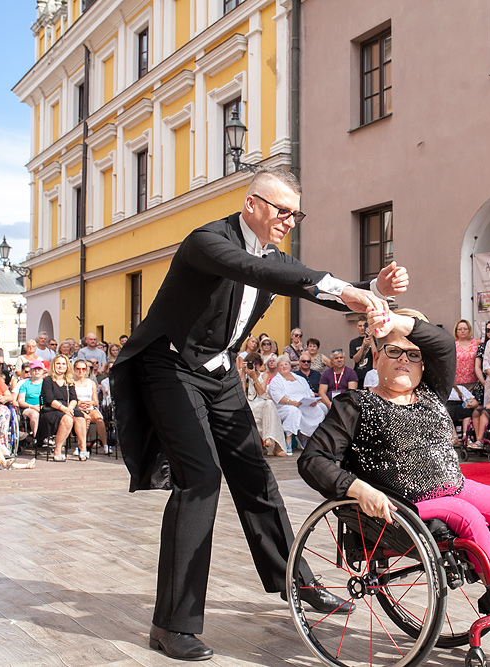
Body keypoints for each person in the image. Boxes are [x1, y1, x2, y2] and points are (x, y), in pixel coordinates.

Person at [110, 166, 409, 660]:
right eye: (282, 210)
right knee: (200, 480)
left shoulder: (270, 255)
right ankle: (172, 625)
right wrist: (348, 289)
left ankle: (296, 583)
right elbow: (262, 273)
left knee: (255, 474)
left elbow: (302, 283)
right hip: (169, 365)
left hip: (219, 372)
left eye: (296, 213)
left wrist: (369, 285)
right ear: (251, 204)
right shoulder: (208, 242)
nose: (290, 221)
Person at [297, 309, 490, 642]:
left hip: (451, 486)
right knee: (468, 515)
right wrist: (357, 489)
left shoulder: (432, 392)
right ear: (376, 358)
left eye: (413, 354)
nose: (404, 359)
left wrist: (400, 322)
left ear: (423, 364)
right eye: (394, 351)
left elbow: (444, 343)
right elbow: (312, 459)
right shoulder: (356, 404)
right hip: (403, 503)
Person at [268, 355, 327, 454]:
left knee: (321, 408)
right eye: (281, 365)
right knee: (293, 411)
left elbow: (309, 392)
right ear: (278, 368)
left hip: (304, 404)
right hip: (286, 406)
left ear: (290, 365)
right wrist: (293, 403)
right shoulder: (276, 381)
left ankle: (311, 436)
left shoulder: (300, 378)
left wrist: (313, 400)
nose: (284, 367)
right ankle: (289, 440)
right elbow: (278, 398)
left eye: (286, 364)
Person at [240, 352, 288, 457]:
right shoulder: (242, 374)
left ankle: (268, 438)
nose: (253, 366)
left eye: (256, 363)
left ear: (260, 364)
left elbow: (261, 392)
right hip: (248, 404)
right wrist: (244, 374)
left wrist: (254, 377)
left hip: (261, 402)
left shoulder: (264, 375)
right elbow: (242, 393)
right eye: (250, 363)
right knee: (269, 407)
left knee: (269, 404)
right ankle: (275, 445)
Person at [40, 355, 82, 462]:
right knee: (68, 419)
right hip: (52, 410)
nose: (61, 366)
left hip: (67, 408)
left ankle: (83, 448)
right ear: (54, 365)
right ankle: (58, 449)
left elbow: (74, 399)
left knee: (81, 417)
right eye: (58, 363)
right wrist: (64, 409)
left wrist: (70, 408)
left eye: (63, 364)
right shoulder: (48, 380)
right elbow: (49, 399)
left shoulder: (69, 381)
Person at [73, 359, 107, 454]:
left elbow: (96, 401)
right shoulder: (72, 383)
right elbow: (70, 400)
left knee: (99, 418)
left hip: (90, 407)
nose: (81, 371)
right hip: (77, 408)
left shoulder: (91, 383)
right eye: (78, 369)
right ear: (74, 369)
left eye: (83, 369)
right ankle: (80, 446)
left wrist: (90, 403)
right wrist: (79, 403)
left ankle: (105, 445)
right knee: (85, 419)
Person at [15, 359, 46, 437]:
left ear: (43, 371)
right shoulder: (25, 384)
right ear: (31, 371)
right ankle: (37, 437)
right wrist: (32, 407)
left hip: (44, 407)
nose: (36, 371)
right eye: (34, 369)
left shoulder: (47, 384)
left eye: (39, 369)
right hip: (28, 408)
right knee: (34, 414)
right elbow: (20, 401)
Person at [453, 319, 481, 388]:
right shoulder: (452, 344)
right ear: (456, 331)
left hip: (474, 381)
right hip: (457, 382)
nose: (463, 331)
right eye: (460, 329)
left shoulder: (476, 342)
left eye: (465, 329)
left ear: (469, 330)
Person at [472, 320, 490, 405]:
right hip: (484, 380)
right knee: (479, 409)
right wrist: (484, 383)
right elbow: (477, 366)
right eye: (488, 330)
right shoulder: (482, 346)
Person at [349, 315, 374, 387]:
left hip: (371, 372)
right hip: (359, 373)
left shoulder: (373, 340)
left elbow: (376, 355)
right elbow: (356, 359)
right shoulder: (353, 342)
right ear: (356, 327)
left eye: (364, 325)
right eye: (360, 326)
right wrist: (363, 345)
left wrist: (371, 339)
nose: (362, 328)